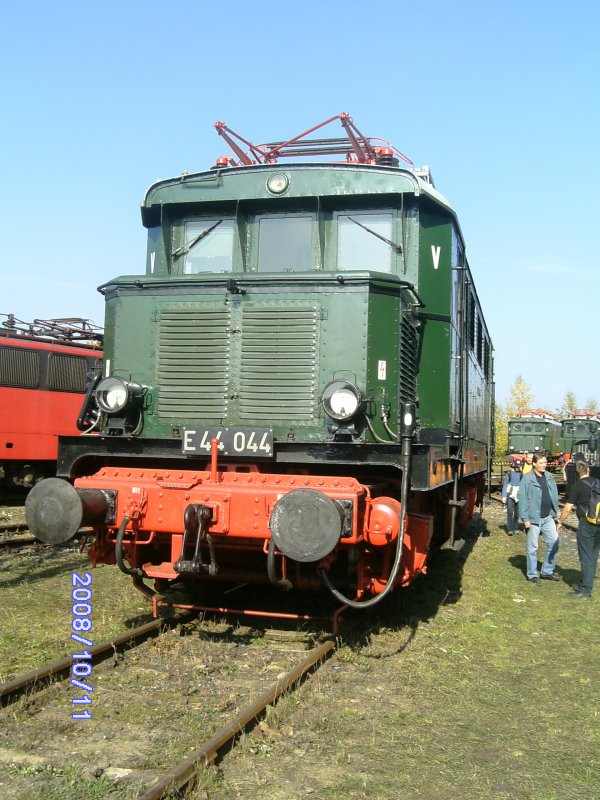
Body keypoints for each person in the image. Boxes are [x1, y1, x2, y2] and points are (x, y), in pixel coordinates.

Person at [557, 460, 599, 599]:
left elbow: (568, 509)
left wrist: (560, 522)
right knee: (593, 554)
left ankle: (586, 590)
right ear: (589, 470)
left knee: (586, 556)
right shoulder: (597, 483)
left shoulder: (577, 486)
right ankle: (587, 581)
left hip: (586, 524)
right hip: (598, 523)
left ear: (576, 473)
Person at [519, 453, 560, 582]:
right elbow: (523, 499)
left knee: (554, 542)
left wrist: (555, 513)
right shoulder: (527, 479)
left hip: (548, 517)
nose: (544, 465)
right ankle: (532, 574)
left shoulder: (549, 476)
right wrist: (525, 519)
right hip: (533, 519)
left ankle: (547, 571)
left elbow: (554, 494)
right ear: (534, 464)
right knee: (533, 548)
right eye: (541, 463)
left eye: (545, 463)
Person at [501, 460, 522, 535]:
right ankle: (510, 528)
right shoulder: (509, 474)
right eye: (516, 466)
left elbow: (523, 485)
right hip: (510, 495)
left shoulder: (521, 474)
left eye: (519, 467)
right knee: (510, 512)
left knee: (517, 513)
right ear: (514, 466)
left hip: (518, 495)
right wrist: (504, 496)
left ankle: (515, 527)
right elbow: (505, 484)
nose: (518, 468)